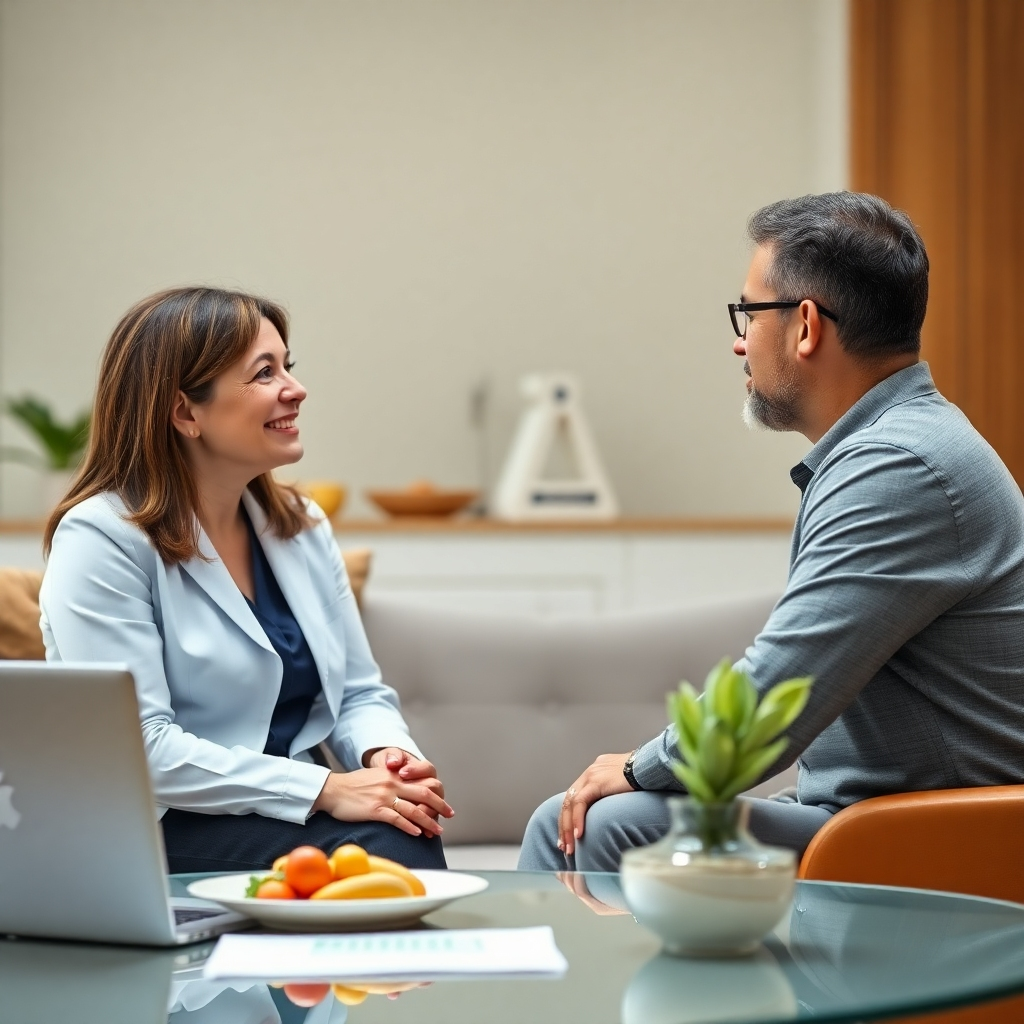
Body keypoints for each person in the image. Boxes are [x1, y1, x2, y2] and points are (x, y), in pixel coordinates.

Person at [519, 191, 1024, 872]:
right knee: (592, 820)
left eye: (748, 314)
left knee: (590, 825)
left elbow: (778, 693)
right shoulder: (904, 444)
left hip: (933, 839)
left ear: (806, 325)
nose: (738, 340)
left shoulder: (900, 463)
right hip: (875, 817)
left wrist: (641, 768)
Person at [40, 287, 453, 873]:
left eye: (288, 366)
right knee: (389, 848)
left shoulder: (301, 525)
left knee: (404, 825)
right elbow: (139, 749)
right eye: (265, 373)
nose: (296, 388)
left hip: (287, 811)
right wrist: (323, 790)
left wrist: (387, 757)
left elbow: (359, 693)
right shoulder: (101, 538)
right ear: (185, 412)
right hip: (160, 823)